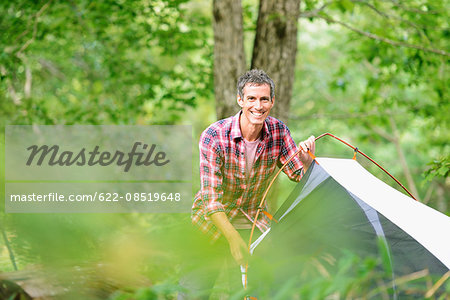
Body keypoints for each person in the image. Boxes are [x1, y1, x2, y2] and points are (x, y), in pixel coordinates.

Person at [182, 69, 315, 298]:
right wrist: (233, 239)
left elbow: (298, 175)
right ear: (240, 100)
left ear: (272, 101)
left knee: (248, 295)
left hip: (252, 227)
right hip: (210, 225)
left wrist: (307, 161)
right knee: (193, 293)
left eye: (264, 99)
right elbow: (211, 200)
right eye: (251, 98)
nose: (258, 105)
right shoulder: (214, 136)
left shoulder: (278, 132)